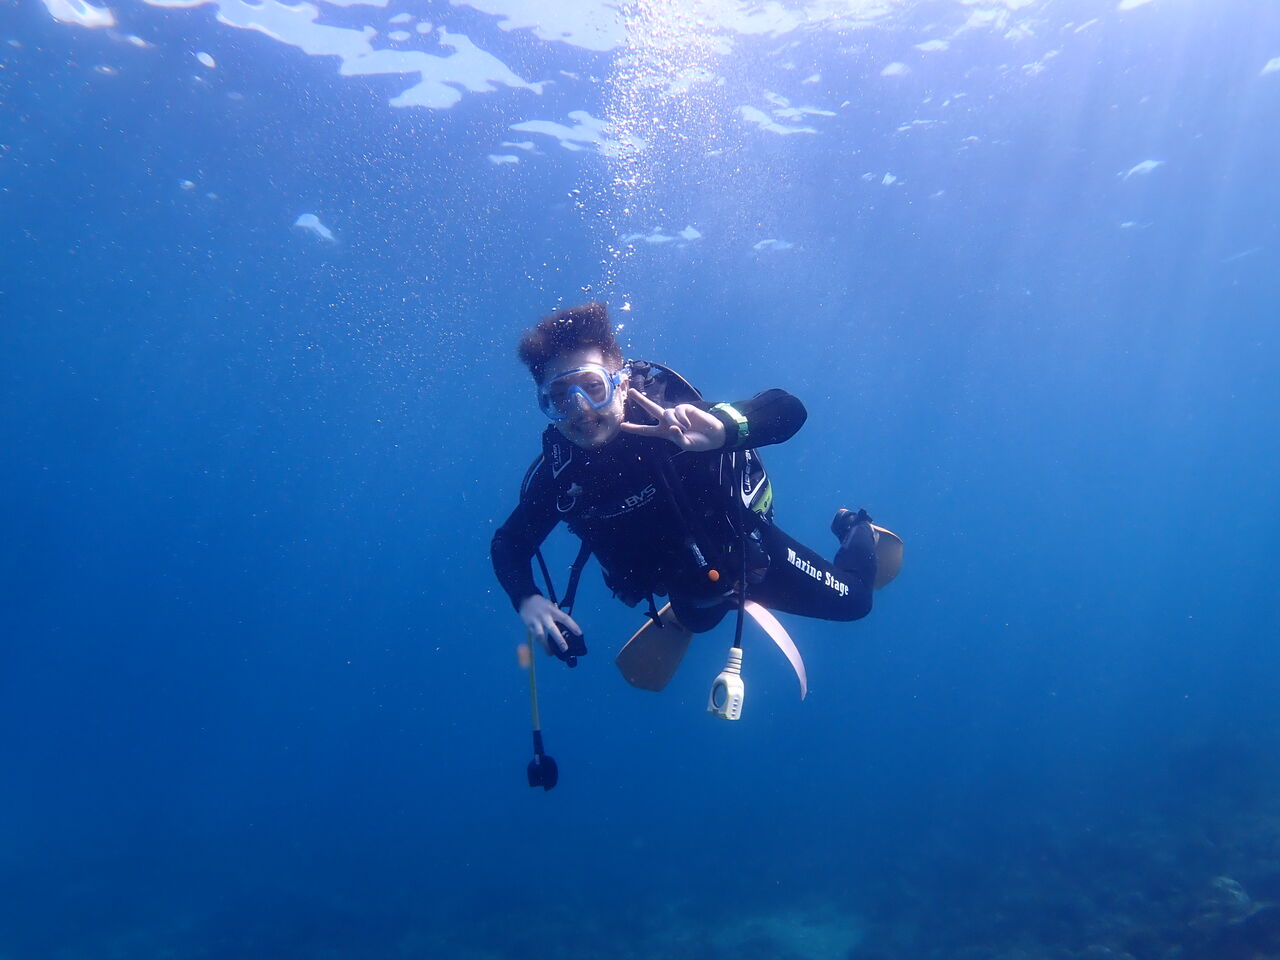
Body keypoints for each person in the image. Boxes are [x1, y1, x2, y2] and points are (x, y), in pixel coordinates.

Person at [490, 302, 882, 659]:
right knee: (700, 612)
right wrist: (527, 599)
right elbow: (509, 543)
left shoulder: (676, 424)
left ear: (621, 384)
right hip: (682, 579)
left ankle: (856, 526)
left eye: (593, 387)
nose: (580, 410)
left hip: (748, 558)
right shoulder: (562, 475)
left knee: (857, 602)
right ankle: (701, 604)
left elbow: (788, 409)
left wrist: (723, 429)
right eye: (559, 397)